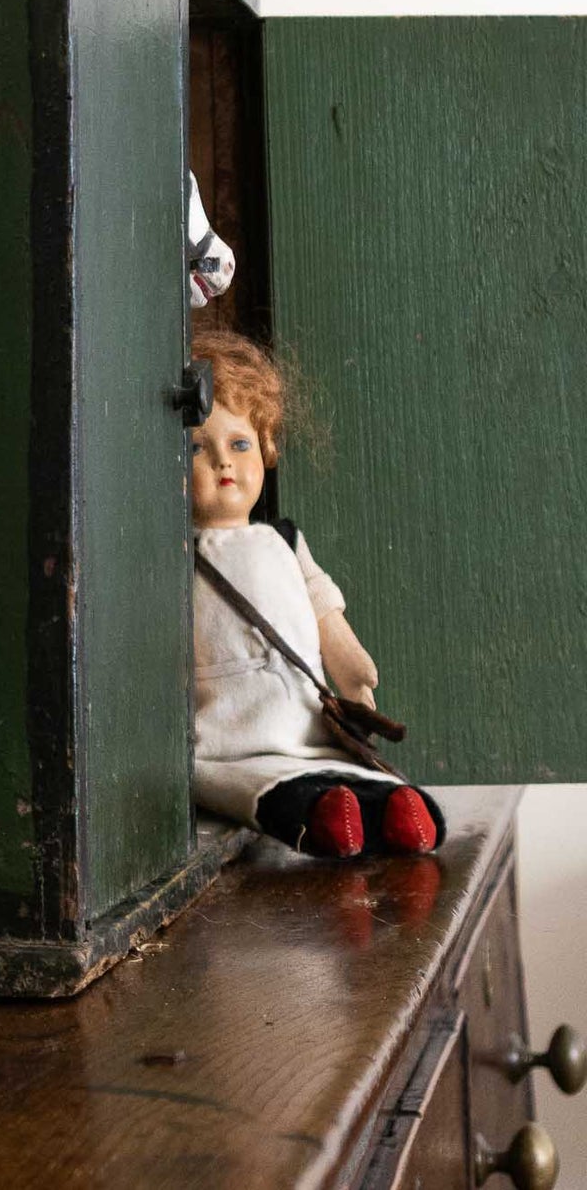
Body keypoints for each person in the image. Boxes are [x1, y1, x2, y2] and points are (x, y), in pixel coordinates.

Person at [190, 329, 443, 859]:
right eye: (197, 447)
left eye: (239, 444)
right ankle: (322, 817)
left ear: (265, 447)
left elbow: (323, 609)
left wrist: (351, 669)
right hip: (228, 734)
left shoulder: (284, 540)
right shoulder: (173, 557)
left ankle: (399, 810)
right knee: (269, 788)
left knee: (352, 773)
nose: (223, 462)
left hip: (306, 717)